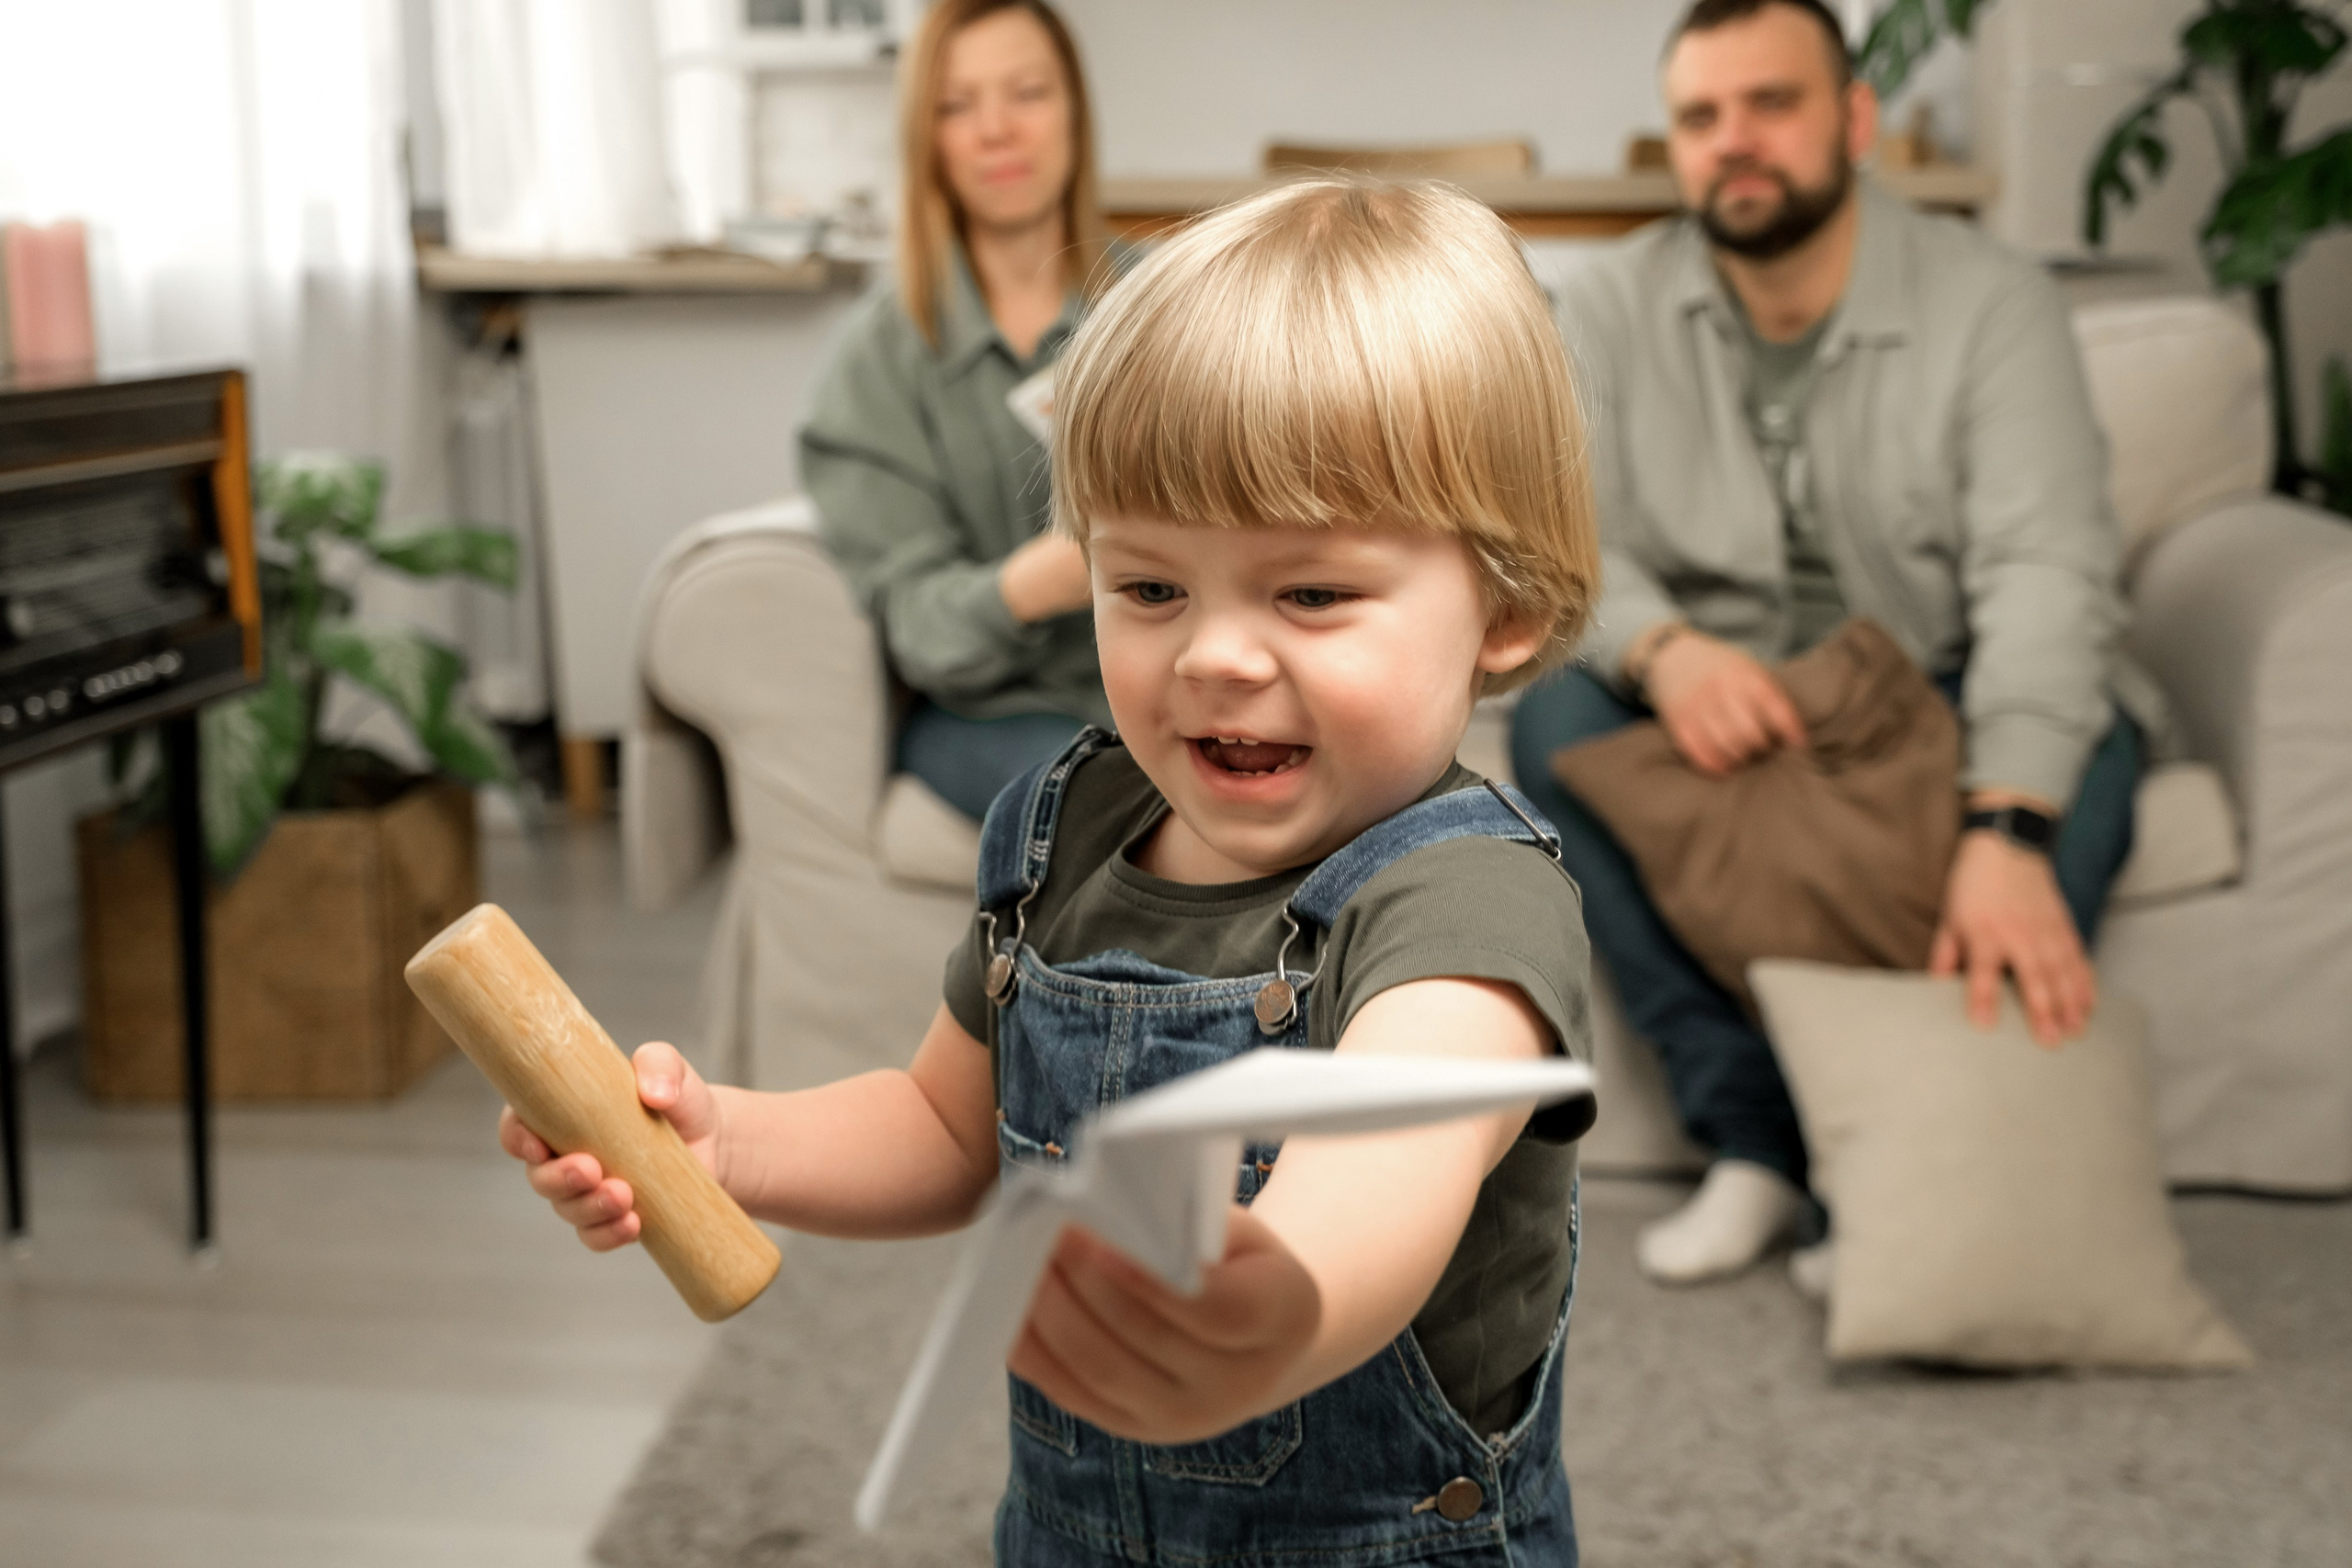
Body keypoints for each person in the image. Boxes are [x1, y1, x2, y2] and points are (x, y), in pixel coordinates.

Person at [504, 179, 1602, 1564]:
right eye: (1150, 587)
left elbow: (1393, 1155)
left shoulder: (1466, 897)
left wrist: (1278, 1300)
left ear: (1503, 608)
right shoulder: (1063, 823)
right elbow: (945, 1125)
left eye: (1311, 592)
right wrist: (727, 1141)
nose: (1210, 654)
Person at [1509, 0, 2136, 1289]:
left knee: (2093, 747)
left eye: (1771, 104)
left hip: (1927, 679)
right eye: (1700, 117)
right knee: (1555, 724)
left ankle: (1900, 1161)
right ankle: (1758, 1143)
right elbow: (1548, 535)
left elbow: (2043, 569)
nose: (1734, 142)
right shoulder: (1604, 306)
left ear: (1856, 119)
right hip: (1721, 698)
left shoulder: (1993, 302)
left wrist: (2009, 828)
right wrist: (1665, 649)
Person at [800, 0, 1116, 821]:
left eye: (1027, 93)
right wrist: (1048, 577)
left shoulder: (1169, 303)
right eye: (956, 105)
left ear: (1076, 110)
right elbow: (920, 629)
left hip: (1178, 691)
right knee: (1112, 800)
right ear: (926, 139)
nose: (996, 130)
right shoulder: (876, 359)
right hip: (992, 711)